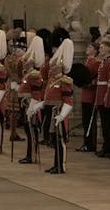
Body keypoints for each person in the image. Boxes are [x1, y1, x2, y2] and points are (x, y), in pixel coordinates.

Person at [43, 39, 75, 174]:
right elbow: (48, 97)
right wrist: (39, 105)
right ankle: (55, 164)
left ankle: (61, 166)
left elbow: (68, 101)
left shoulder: (64, 81)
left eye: (54, 65)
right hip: (52, 112)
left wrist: (62, 115)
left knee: (60, 140)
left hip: (59, 113)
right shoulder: (53, 80)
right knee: (54, 139)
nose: (51, 67)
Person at [77, 42, 101, 152]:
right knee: (85, 121)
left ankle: (91, 144)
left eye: (90, 47)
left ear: (95, 51)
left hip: (91, 95)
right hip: (85, 94)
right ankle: (86, 142)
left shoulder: (95, 62)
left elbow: (96, 78)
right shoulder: (88, 61)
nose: (87, 48)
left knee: (90, 121)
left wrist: (90, 83)